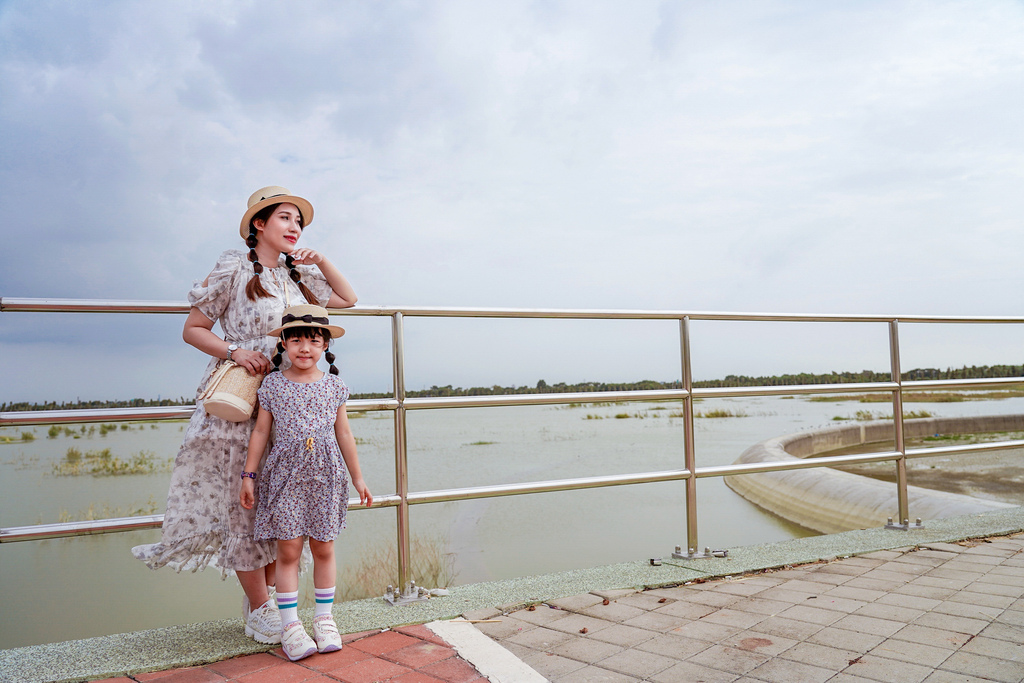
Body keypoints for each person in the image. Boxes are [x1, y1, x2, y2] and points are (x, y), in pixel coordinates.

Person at [132, 187, 358, 645]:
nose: (295, 228)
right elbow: (193, 329)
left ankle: (277, 599)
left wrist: (322, 259)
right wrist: (235, 351)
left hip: (292, 402)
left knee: (281, 505)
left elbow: (347, 299)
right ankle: (259, 608)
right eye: (286, 219)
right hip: (239, 401)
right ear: (259, 223)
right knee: (244, 504)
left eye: (300, 222)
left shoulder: (300, 277)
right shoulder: (234, 267)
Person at [240, 304, 372, 660]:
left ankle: (325, 619)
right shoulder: (272, 385)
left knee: (324, 547)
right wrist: (249, 476)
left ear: (325, 345)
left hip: (326, 475)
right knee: (289, 551)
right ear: (283, 343)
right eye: (295, 339)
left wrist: (357, 478)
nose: (304, 348)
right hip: (285, 478)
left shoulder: (335, 387)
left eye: (313, 341)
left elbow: (344, 433)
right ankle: (289, 625)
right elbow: (261, 432)